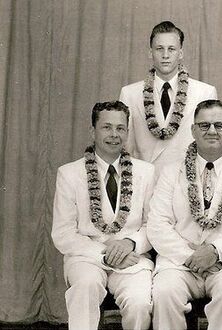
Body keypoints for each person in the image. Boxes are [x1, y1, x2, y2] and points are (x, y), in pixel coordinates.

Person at [147, 99, 222, 330]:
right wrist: (190, 257)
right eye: (204, 125)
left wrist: (215, 252)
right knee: (164, 292)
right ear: (193, 130)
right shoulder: (172, 172)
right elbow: (157, 224)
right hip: (179, 263)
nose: (212, 131)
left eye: (219, 125)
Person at [52, 101, 155, 330]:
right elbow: (63, 233)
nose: (114, 135)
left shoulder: (146, 172)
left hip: (132, 258)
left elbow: (154, 225)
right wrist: (105, 254)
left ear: (127, 132)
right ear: (93, 131)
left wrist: (130, 244)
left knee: (139, 303)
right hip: (85, 256)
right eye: (106, 127)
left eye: (120, 128)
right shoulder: (69, 173)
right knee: (85, 287)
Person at [119, 20, 217, 175]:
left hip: (186, 180)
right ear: (150, 52)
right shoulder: (129, 94)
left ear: (181, 53)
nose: (165, 55)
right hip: (146, 180)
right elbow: (125, 147)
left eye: (171, 49)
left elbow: (209, 146)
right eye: (159, 49)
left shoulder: (205, 92)